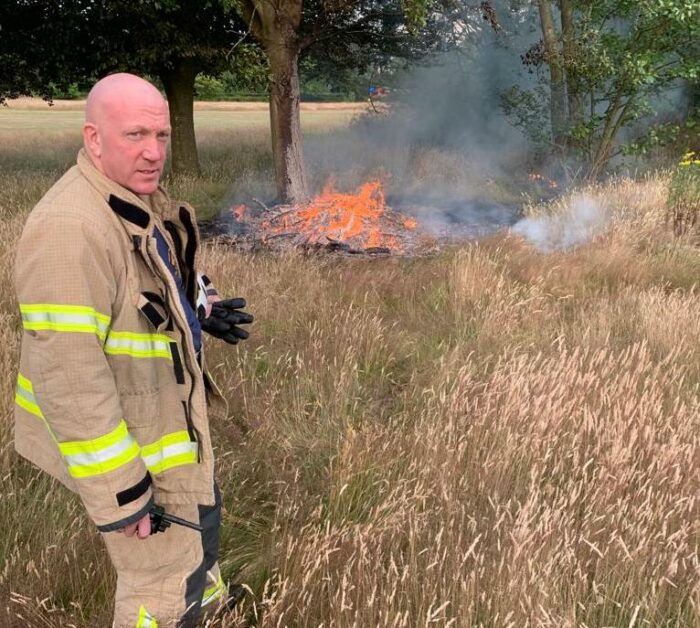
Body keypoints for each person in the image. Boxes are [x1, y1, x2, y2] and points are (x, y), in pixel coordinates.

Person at [13, 73, 253, 627]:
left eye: (162, 135)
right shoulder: (69, 228)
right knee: (158, 582)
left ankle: (207, 606)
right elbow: (69, 380)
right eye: (135, 135)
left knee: (198, 533)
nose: (154, 152)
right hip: (133, 446)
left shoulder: (126, 196)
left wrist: (201, 305)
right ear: (94, 138)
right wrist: (122, 491)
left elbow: (155, 274)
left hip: (170, 420)